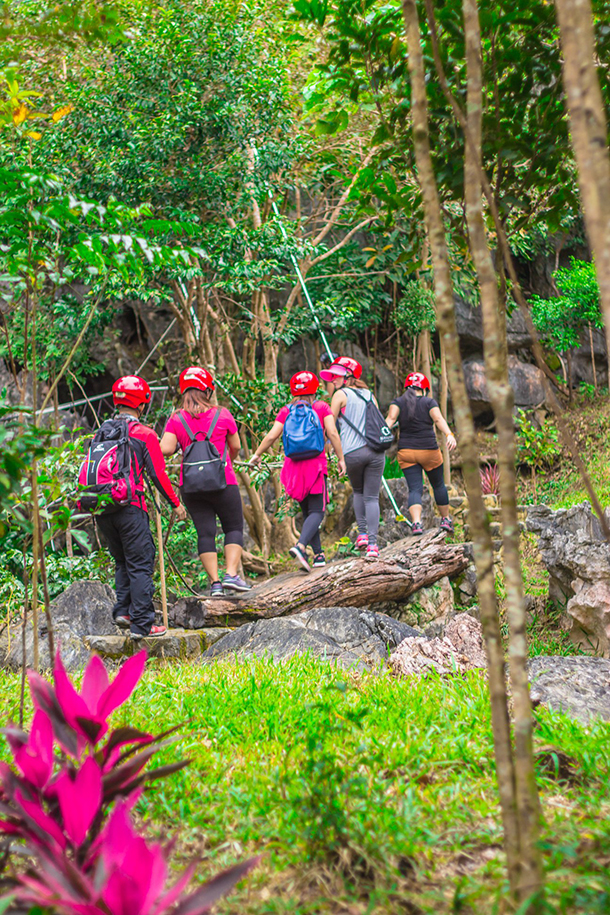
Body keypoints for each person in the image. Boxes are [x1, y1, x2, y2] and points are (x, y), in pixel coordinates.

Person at [95, 375, 186, 640]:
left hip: (103, 508)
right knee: (141, 564)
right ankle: (143, 624)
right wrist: (176, 504)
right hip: (131, 508)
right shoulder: (144, 434)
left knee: (122, 560)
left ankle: (123, 611)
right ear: (142, 405)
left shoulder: (102, 432)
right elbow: (158, 475)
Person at [160, 366, 250, 598]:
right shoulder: (223, 414)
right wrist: (228, 458)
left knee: (205, 533)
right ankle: (231, 574)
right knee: (232, 527)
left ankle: (216, 584)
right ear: (208, 391)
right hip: (223, 481)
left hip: (191, 486)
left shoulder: (176, 419)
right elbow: (237, 446)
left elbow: (166, 449)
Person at [250, 371, 346, 572]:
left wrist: (257, 454)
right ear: (315, 390)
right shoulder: (321, 407)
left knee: (307, 511)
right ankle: (302, 547)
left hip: (293, 467)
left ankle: (318, 555)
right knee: (317, 511)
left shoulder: (286, 410)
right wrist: (341, 458)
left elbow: (271, 436)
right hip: (315, 466)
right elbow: (333, 433)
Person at [321, 356, 385, 561]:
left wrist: (328, 447)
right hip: (375, 451)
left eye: (337, 376)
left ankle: (363, 534)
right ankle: (373, 546)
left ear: (349, 377)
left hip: (353, 453)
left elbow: (329, 426)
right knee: (372, 497)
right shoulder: (369, 395)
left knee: (358, 491)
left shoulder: (340, 395)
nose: (334, 380)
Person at [385, 371, 457, 535]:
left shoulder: (398, 402)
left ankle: (416, 524)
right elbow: (438, 419)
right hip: (429, 451)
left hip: (406, 453)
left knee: (415, 489)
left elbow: (390, 420)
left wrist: (377, 435)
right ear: (424, 389)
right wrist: (449, 435)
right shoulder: (429, 402)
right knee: (438, 484)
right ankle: (445, 520)